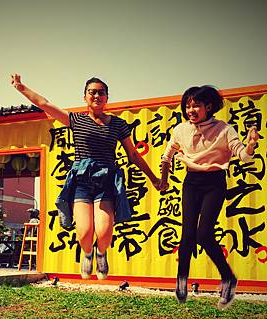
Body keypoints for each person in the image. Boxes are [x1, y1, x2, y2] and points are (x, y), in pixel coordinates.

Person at [11, 74, 160, 280]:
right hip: (82, 181)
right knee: (84, 232)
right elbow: (44, 103)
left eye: (101, 93)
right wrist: (21, 87)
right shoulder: (76, 120)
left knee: (104, 231)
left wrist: (154, 178)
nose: (96, 96)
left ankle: (101, 253)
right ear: (85, 97)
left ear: (107, 98)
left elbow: (133, 155)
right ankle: (88, 253)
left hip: (106, 180)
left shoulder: (118, 124)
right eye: (92, 92)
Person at [158, 85, 259, 309]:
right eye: (187, 106)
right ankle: (181, 280)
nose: (191, 110)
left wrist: (251, 145)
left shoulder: (224, 129)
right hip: (191, 182)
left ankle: (228, 278)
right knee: (187, 235)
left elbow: (243, 155)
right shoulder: (181, 129)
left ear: (209, 107)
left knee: (203, 234)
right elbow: (167, 156)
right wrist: (164, 180)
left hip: (214, 183)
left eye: (196, 106)